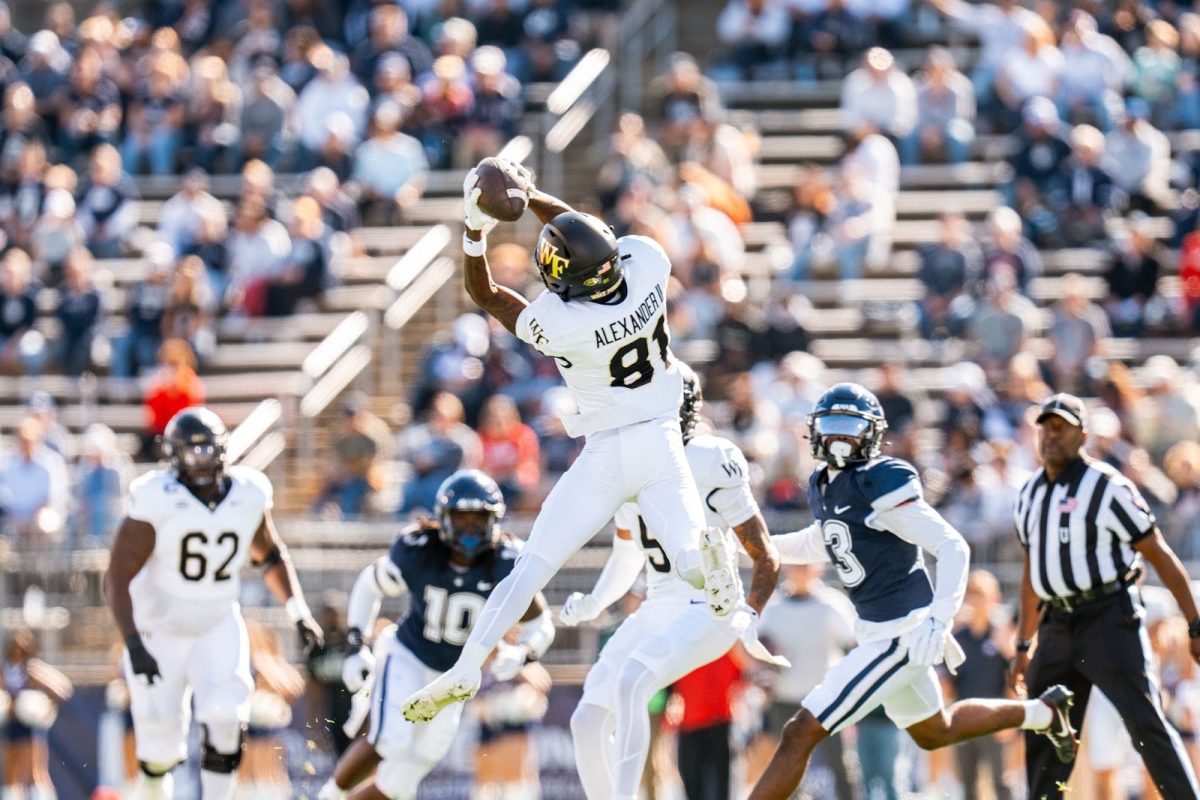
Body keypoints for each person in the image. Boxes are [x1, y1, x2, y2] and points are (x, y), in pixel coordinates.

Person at [400, 159, 738, 723]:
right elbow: (587, 230)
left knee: (530, 566)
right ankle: (712, 566)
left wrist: (474, 226)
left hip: (608, 450)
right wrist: (531, 194)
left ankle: (466, 667)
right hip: (660, 438)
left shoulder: (564, 323)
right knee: (683, 553)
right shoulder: (649, 264)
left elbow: (485, 292)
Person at [747, 383, 1076, 800]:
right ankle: (1044, 712)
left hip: (902, 633)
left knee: (800, 731)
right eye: (831, 426)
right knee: (936, 731)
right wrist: (756, 548)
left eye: (850, 427)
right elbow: (825, 539)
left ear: (871, 434)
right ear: (814, 431)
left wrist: (940, 619)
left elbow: (951, 544)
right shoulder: (823, 484)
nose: (839, 438)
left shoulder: (879, 480)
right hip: (877, 630)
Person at [560, 365, 782, 800]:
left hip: (707, 608)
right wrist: (596, 600)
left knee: (632, 682)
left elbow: (764, 552)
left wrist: (748, 613)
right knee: (585, 721)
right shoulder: (625, 467)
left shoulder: (709, 458)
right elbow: (627, 557)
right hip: (657, 604)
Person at [105, 407, 324, 800]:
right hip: (160, 628)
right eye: (192, 452)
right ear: (173, 454)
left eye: (208, 450)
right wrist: (134, 644)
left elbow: (270, 554)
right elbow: (117, 576)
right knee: (159, 741)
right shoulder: (156, 496)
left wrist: (298, 611)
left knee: (226, 717)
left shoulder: (247, 493)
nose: (201, 460)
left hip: (217, 621)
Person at [316, 470, 554, 800]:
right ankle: (328, 795)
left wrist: (523, 654)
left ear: (494, 520)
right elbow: (370, 584)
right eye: (462, 517)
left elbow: (541, 624)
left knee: (403, 778)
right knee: (390, 738)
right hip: (408, 655)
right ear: (443, 518)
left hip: (453, 678)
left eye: (478, 517)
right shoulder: (421, 549)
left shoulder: (507, 562)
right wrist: (357, 645)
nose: (470, 527)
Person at [1010, 393, 1200, 798]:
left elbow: (1158, 553)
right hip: (1057, 624)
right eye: (1046, 427)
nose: (1052, 436)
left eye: (1061, 427)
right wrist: (1024, 644)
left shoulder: (1108, 486)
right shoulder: (1027, 494)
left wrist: (1194, 621)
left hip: (1107, 617)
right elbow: (1033, 574)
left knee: (1145, 723)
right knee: (1046, 730)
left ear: (1083, 435)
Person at [950, 570, 1014, 799]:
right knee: (968, 783)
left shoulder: (1001, 636)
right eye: (972, 594)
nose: (976, 601)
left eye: (981, 595)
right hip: (966, 720)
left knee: (1001, 780)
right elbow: (950, 681)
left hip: (995, 720)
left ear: (993, 598)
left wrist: (1009, 719)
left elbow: (1014, 679)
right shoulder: (959, 637)